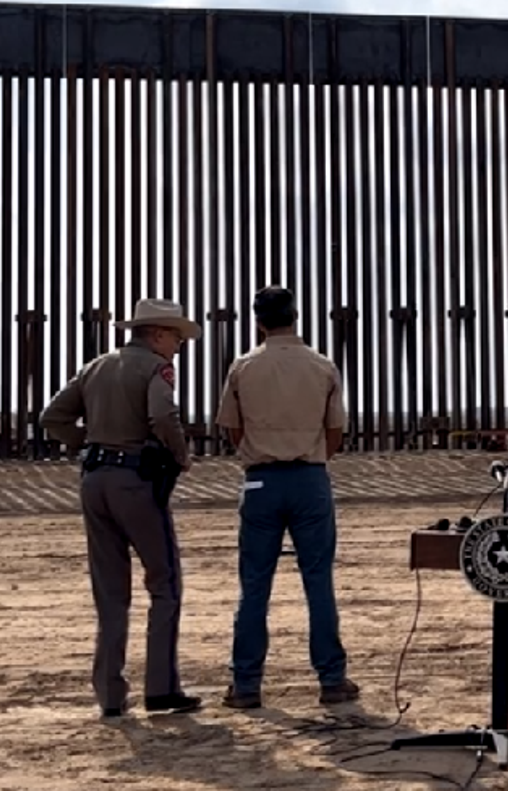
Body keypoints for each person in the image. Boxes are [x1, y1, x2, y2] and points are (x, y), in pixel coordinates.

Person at [41, 297, 204, 719]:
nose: (179, 345)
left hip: (94, 480)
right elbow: (164, 416)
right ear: (155, 334)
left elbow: (52, 417)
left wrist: (88, 442)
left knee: (111, 593)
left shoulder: (96, 366)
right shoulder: (155, 369)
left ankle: (111, 696)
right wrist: (181, 455)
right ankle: (161, 688)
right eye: (175, 336)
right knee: (164, 581)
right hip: (137, 482)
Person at [214, 285, 360, 709]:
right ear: (296, 316)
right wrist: (311, 458)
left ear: (258, 321)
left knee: (254, 584)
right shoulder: (321, 366)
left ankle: (245, 685)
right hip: (310, 479)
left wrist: (257, 454)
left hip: (260, 480)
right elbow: (335, 433)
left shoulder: (243, 367)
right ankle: (332, 680)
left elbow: (232, 429)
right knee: (318, 582)